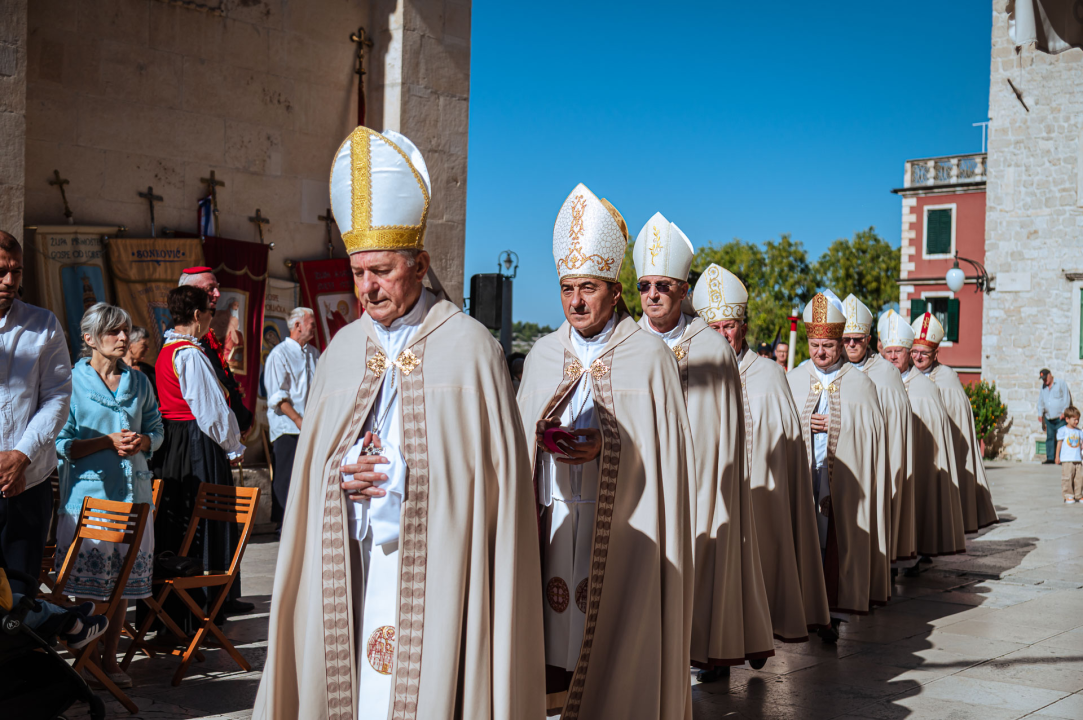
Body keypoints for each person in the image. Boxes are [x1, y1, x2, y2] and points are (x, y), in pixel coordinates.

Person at [254, 128, 545, 720]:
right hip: (353, 559)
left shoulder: (472, 350)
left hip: (437, 569)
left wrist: (408, 480)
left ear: (420, 265)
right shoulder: (340, 352)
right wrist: (341, 474)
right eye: (358, 272)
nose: (367, 288)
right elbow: (312, 474)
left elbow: (493, 490)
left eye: (381, 270)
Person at [517, 184, 693, 719]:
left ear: (615, 291)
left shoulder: (650, 357)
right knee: (550, 640)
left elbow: (667, 463)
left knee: (612, 640)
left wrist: (608, 444)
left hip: (622, 533)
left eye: (588, 288)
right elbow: (515, 444)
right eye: (567, 288)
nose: (575, 301)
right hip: (552, 521)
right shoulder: (543, 354)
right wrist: (539, 441)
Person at [633, 214, 774, 681]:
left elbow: (725, 435)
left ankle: (701, 649)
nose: (653, 294)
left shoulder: (712, 349)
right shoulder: (625, 344)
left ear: (683, 290)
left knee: (700, 572)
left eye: (663, 286)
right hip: (640, 487)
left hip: (699, 490)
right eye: (645, 286)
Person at [695, 265, 829, 645]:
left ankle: (758, 633)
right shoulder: (693, 373)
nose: (722, 335)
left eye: (729, 326)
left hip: (759, 503)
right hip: (712, 501)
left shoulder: (770, 375)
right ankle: (715, 652)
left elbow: (787, 445)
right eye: (713, 328)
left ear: (744, 327)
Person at [54, 303, 164, 687]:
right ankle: (87, 660)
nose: (122, 338)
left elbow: (157, 429)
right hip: (90, 500)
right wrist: (105, 442)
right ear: (89, 338)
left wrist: (143, 441)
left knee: (121, 587)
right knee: (88, 587)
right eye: (112, 331)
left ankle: (111, 660)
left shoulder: (139, 382)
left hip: (135, 497)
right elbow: (61, 444)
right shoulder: (69, 383)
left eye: (125, 330)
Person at [787, 292, 890, 642]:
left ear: (840, 343)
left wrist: (837, 426)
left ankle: (831, 612)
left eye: (828, 345)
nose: (820, 352)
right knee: (804, 538)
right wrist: (804, 424)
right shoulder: (794, 378)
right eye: (815, 345)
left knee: (834, 543)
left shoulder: (860, 383)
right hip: (805, 476)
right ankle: (803, 607)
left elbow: (872, 432)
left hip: (843, 481)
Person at [151, 285, 246, 634]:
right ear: (196, 315)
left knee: (182, 520)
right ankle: (200, 609)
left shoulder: (167, 350)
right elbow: (211, 410)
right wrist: (232, 446)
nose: (210, 318)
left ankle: (178, 613)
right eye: (209, 312)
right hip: (197, 443)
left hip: (175, 444)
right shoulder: (189, 354)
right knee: (203, 518)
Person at [0, 232, 72, 595]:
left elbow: (57, 397)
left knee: (18, 596)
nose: (9, 281)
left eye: (16, 271)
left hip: (27, 483)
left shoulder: (43, 325)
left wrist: (20, 457)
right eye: (1, 271)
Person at [879, 311, 965, 569]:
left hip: (916, 459)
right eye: (888, 351)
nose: (916, 357)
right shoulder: (875, 379)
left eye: (899, 351)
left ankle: (913, 553)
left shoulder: (928, 388)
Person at [841, 293, 914, 566]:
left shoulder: (886, 374)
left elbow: (895, 430)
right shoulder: (831, 370)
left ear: (868, 340)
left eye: (857, 339)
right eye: (846, 339)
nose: (851, 344)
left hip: (874, 463)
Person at [911, 312, 999, 532]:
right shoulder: (904, 374)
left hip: (940, 450)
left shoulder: (947, 378)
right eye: (914, 351)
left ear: (936, 353)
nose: (918, 357)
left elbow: (957, 421)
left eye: (924, 353)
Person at [177, 267, 253, 434]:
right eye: (210, 289)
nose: (218, 294)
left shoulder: (199, 333)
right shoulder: (188, 338)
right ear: (190, 293)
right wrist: (243, 421)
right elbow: (216, 386)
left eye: (217, 288)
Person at [262, 307, 319, 527]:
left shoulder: (314, 353)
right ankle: (284, 527)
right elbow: (277, 396)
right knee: (286, 477)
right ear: (297, 326)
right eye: (311, 324)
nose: (314, 328)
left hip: (310, 426)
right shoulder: (279, 354)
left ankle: (305, 524)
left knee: (309, 477)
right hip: (288, 426)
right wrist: (298, 420)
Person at [1038, 369, 1072, 465]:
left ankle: (1061, 458)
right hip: (1049, 417)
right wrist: (1040, 413)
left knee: (1061, 438)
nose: (1044, 380)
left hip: (1060, 417)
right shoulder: (1043, 387)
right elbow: (1041, 401)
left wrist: (1064, 412)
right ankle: (1050, 458)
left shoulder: (1060, 383)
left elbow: (1066, 398)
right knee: (1050, 437)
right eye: (1043, 379)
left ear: (1050, 375)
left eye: (1045, 378)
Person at [1055, 405, 1083, 503]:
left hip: (1078, 459)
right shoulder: (1063, 430)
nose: (1077, 421)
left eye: (1078, 419)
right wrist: (1057, 456)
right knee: (1067, 478)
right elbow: (1059, 444)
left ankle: (1078, 495)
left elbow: (1081, 443)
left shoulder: (1079, 431)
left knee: (1079, 478)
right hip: (1067, 459)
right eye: (1074, 419)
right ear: (1067, 419)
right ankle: (1068, 495)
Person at [122, 326, 156, 397]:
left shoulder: (149, 371)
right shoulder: (115, 369)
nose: (147, 349)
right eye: (144, 345)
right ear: (129, 345)